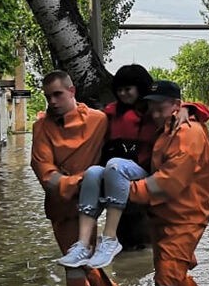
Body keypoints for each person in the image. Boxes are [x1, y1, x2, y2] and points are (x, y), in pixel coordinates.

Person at [30, 71, 129, 286]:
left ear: (72, 91)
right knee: (83, 263)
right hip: (60, 207)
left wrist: (185, 110)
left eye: (57, 94)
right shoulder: (41, 129)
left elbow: (137, 115)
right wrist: (82, 180)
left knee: (74, 269)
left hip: (87, 209)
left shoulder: (98, 119)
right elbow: (45, 174)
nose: (52, 101)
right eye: (47, 96)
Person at [125, 80, 209, 286]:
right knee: (172, 268)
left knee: (166, 276)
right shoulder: (169, 126)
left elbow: (168, 183)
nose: (153, 112)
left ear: (176, 105)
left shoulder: (186, 133)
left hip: (184, 216)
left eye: (159, 106)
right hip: (167, 214)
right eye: (150, 106)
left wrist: (126, 191)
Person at [58, 65, 157, 269]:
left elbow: (186, 108)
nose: (123, 94)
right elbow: (83, 118)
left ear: (140, 88)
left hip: (140, 175)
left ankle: (109, 238)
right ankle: (84, 243)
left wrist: (185, 110)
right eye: (119, 90)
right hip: (115, 178)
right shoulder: (110, 114)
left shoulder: (154, 111)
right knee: (93, 172)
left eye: (128, 89)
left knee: (114, 165)